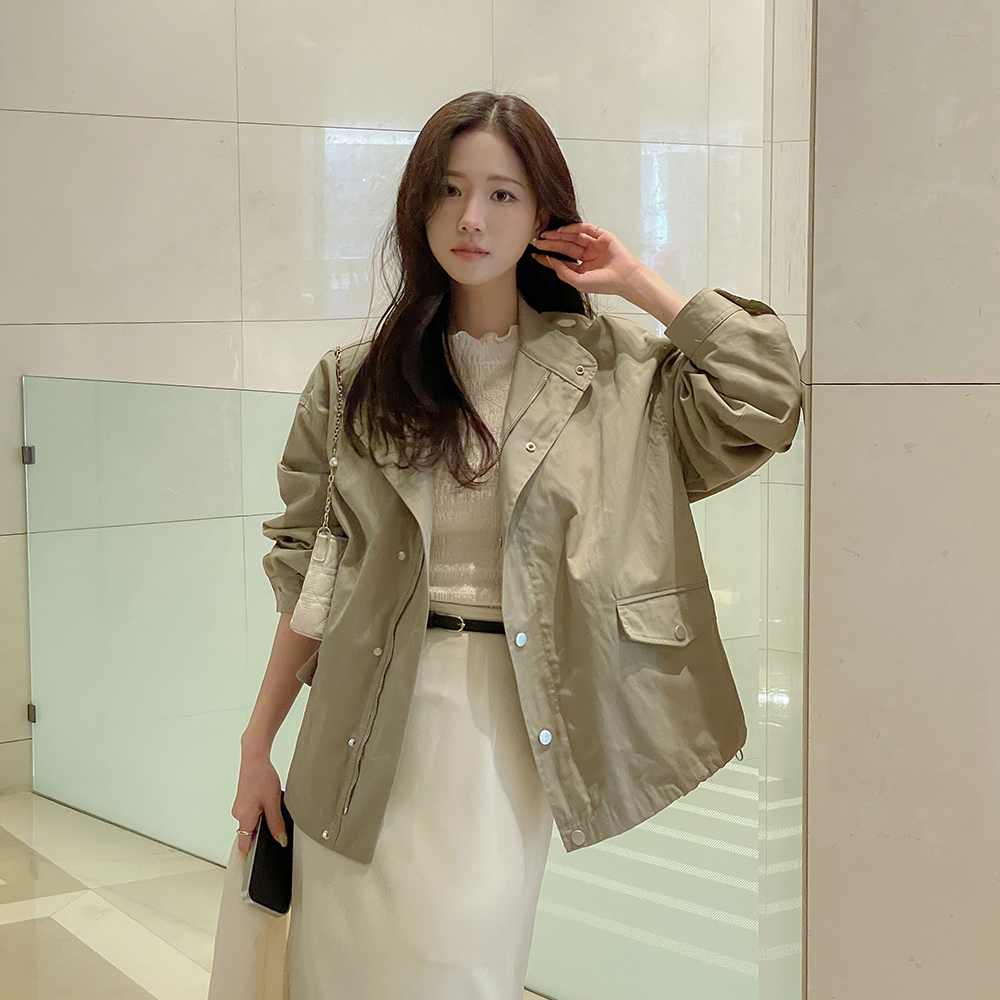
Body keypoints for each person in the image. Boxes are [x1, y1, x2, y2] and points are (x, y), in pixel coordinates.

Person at [207, 90, 802, 1000]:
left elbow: (767, 395)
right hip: (361, 718)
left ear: (544, 215)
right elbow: (313, 578)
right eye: (448, 191)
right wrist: (258, 743)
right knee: (341, 967)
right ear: (418, 207)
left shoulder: (616, 372)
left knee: (461, 964)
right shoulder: (354, 382)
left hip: (507, 716)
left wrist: (637, 281)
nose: (471, 219)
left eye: (502, 194)